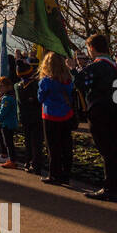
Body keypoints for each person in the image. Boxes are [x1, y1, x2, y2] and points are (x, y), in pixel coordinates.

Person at [73, 33, 117, 202]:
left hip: (98, 111)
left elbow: (78, 82)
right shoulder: (115, 65)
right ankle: (116, 186)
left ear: (92, 48)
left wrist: (73, 68)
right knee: (114, 150)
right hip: (112, 111)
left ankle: (110, 188)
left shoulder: (97, 66)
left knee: (107, 151)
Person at [37, 52, 75, 186]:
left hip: (50, 114)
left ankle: (54, 174)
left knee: (53, 146)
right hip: (66, 113)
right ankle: (66, 174)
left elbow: (40, 98)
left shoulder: (46, 81)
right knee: (66, 146)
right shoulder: (69, 79)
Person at [15, 59, 46, 175]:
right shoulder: (34, 85)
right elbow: (38, 100)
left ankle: (28, 161)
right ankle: (36, 164)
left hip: (25, 117)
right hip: (36, 117)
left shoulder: (18, 85)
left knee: (28, 141)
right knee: (36, 142)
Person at [0, 76, 19, 169]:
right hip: (11, 122)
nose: (0, 88)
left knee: (8, 143)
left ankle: (12, 160)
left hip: (7, 123)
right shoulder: (10, 97)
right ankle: (12, 159)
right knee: (9, 142)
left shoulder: (6, 98)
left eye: (2, 86)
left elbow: (3, 111)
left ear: (8, 86)